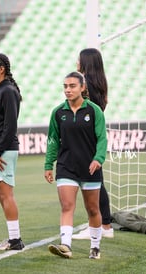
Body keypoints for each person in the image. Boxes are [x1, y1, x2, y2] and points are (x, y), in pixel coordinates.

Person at [45, 71, 108, 260]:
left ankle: (95, 247)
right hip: (66, 167)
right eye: (65, 86)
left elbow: (102, 138)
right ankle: (66, 245)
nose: (68, 90)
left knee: (93, 209)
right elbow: (53, 141)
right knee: (67, 206)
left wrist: (98, 158)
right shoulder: (58, 112)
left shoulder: (94, 111)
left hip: (90, 168)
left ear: (82, 88)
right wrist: (48, 164)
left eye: (72, 86)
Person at [72, 48, 114, 240]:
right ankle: (104, 224)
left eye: (79, 59)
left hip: (87, 137)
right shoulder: (99, 82)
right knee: (96, 181)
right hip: (94, 136)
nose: (76, 61)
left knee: (93, 182)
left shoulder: (86, 83)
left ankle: (101, 225)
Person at [0, 53, 24, 251]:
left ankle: (15, 239)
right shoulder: (0, 90)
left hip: (5, 150)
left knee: (6, 193)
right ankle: (12, 236)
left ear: (1, 69)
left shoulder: (8, 91)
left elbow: (10, 125)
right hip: (0, 149)